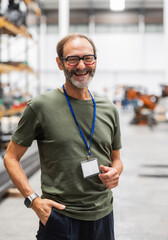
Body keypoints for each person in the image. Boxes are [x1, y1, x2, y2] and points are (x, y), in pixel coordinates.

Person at [4, 33, 123, 240]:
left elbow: (117, 159)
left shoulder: (109, 109)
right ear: (60, 63)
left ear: (95, 61)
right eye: (72, 59)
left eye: (87, 58)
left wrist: (115, 173)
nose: (81, 66)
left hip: (103, 215)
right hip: (60, 217)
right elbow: (10, 157)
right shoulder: (40, 107)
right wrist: (33, 200)